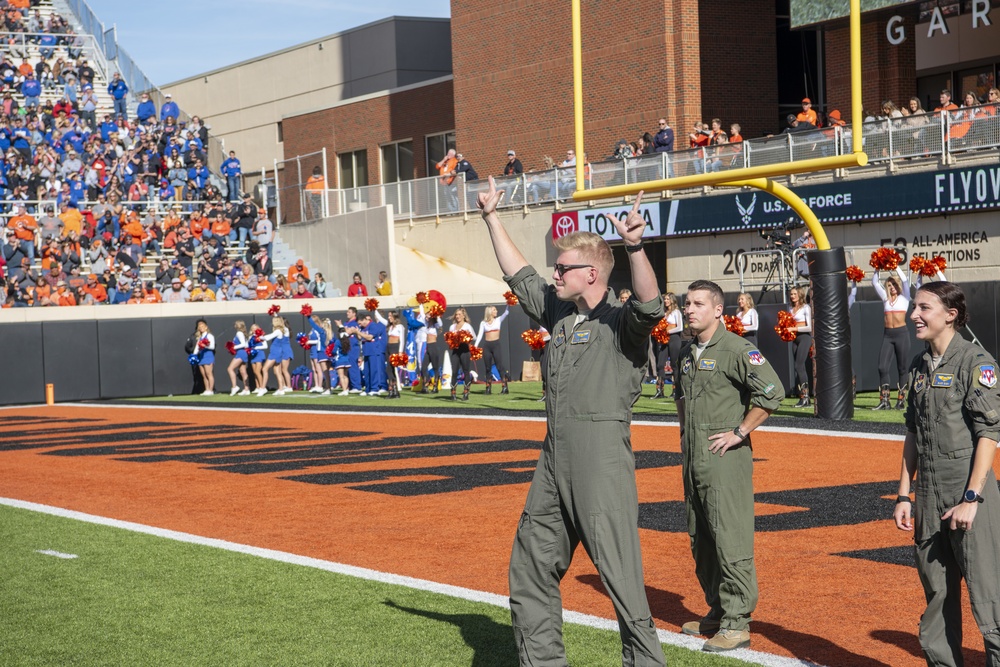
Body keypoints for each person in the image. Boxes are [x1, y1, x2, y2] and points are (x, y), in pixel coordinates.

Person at [478, 175, 666, 667]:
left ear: (592, 274)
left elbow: (651, 305)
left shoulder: (621, 321)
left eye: (562, 268)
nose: (554, 274)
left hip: (600, 455)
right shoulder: (561, 314)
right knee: (530, 567)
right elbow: (520, 275)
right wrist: (491, 217)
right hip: (553, 455)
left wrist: (636, 248)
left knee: (620, 579)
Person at [893, 281, 1000, 665]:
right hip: (928, 495)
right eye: (914, 307)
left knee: (990, 599)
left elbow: (990, 434)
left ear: (950, 315)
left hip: (968, 492)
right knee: (937, 597)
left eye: (924, 308)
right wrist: (904, 495)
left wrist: (971, 498)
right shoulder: (918, 365)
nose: (913, 315)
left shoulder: (977, 362)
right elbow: (912, 433)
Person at [676, 279, 783, 652]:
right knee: (700, 538)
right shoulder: (686, 352)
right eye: (687, 303)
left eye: (698, 304)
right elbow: (682, 401)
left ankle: (737, 623)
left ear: (718, 310)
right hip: (694, 459)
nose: (689, 309)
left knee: (729, 537)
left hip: (724, 460)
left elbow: (772, 392)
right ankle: (718, 611)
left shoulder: (737, 349)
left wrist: (739, 431)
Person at [872, 266, 910, 410]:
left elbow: (905, 280)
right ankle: (885, 400)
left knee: (902, 368)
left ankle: (901, 400)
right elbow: (875, 283)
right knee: (882, 367)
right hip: (888, 335)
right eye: (889, 285)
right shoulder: (885, 298)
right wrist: (877, 268)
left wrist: (895, 266)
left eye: (894, 284)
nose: (892, 287)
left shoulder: (904, 297)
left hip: (902, 334)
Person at [475, 304, 510, 394]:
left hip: (496, 345)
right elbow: (479, 335)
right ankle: (488, 387)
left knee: (499, 366)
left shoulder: (498, 320)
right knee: (487, 367)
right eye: (494, 310)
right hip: (487, 346)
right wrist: (475, 345)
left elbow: (506, 313)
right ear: (490, 312)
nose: (496, 311)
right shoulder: (483, 323)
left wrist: (508, 304)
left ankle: (505, 387)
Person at [788, 286, 813, 408]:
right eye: (791, 294)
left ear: (800, 294)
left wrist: (794, 328)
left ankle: (806, 397)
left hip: (804, 337)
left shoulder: (806, 308)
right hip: (794, 339)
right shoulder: (790, 308)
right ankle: (802, 397)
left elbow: (810, 327)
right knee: (798, 368)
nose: (792, 296)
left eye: (794, 294)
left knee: (799, 365)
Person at [447, 307, 476, 401]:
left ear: (464, 316)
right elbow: (449, 339)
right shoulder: (452, 327)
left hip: (464, 350)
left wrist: (466, 337)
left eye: (459, 314)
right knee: (454, 372)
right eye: (456, 314)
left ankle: (466, 393)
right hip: (455, 350)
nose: (457, 316)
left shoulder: (467, 326)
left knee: (466, 371)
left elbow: (474, 337)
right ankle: (453, 393)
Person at [357, 311, 388, 396]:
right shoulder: (363, 328)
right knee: (367, 372)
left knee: (374, 371)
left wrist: (358, 332)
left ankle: (375, 388)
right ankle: (368, 389)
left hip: (374, 351)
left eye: (360, 323)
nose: (360, 325)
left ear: (364, 320)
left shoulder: (373, 325)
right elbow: (360, 337)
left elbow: (370, 337)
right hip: (366, 351)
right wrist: (358, 331)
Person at [258, 316, 291, 396]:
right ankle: (281, 389)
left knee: (265, 369)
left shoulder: (278, 331)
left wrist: (260, 337)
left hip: (275, 352)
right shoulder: (284, 330)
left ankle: (263, 388)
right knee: (277, 371)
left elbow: (268, 337)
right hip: (278, 352)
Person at [418, 302, 444, 394]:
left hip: (434, 347)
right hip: (428, 348)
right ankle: (425, 387)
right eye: (427, 314)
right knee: (423, 367)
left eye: (429, 315)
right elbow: (422, 314)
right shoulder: (426, 324)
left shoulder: (435, 325)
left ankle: (435, 387)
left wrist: (436, 315)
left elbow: (440, 324)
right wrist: (420, 304)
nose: (427, 316)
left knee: (435, 368)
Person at [305, 313, 333, 394]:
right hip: (327, 354)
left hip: (321, 353)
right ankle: (328, 388)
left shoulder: (321, 332)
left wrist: (308, 316)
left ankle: (327, 388)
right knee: (326, 372)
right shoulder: (331, 334)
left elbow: (313, 324)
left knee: (325, 372)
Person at [227, 321, 252, 396]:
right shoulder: (243, 333)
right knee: (243, 371)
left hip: (241, 353)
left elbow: (243, 344)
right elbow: (246, 345)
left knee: (230, 369)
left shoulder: (239, 333)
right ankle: (246, 389)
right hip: (242, 352)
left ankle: (234, 387)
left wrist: (233, 347)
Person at [194, 319, 216, 396]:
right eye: (199, 327)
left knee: (208, 373)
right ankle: (206, 389)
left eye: (202, 326)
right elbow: (196, 348)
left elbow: (212, 347)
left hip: (208, 355)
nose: (201, 328)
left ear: (206, 327)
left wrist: (205, 346)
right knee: (203, 375)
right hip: (201, 356)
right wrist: (194, 355)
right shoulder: (200, 338)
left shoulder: (210, 336)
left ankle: (211, 390)